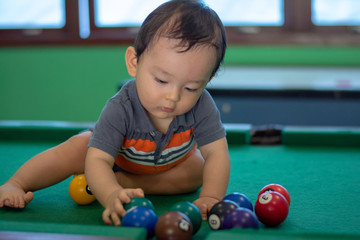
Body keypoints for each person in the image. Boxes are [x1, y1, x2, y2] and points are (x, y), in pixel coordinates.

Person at [0, 0, 230, 226]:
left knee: (198, 168)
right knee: (79, 148)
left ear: (206, 81)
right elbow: (99, 159)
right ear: (134, 62)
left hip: (168, 166)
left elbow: (217, 154)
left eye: (190, 88)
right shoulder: (121, 107)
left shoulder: (202, 105)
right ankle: (17, 183)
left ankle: (126, 182)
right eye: (161, 80)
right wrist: (110, 194)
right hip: (113, 157)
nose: (173, 96)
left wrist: (211, 197)